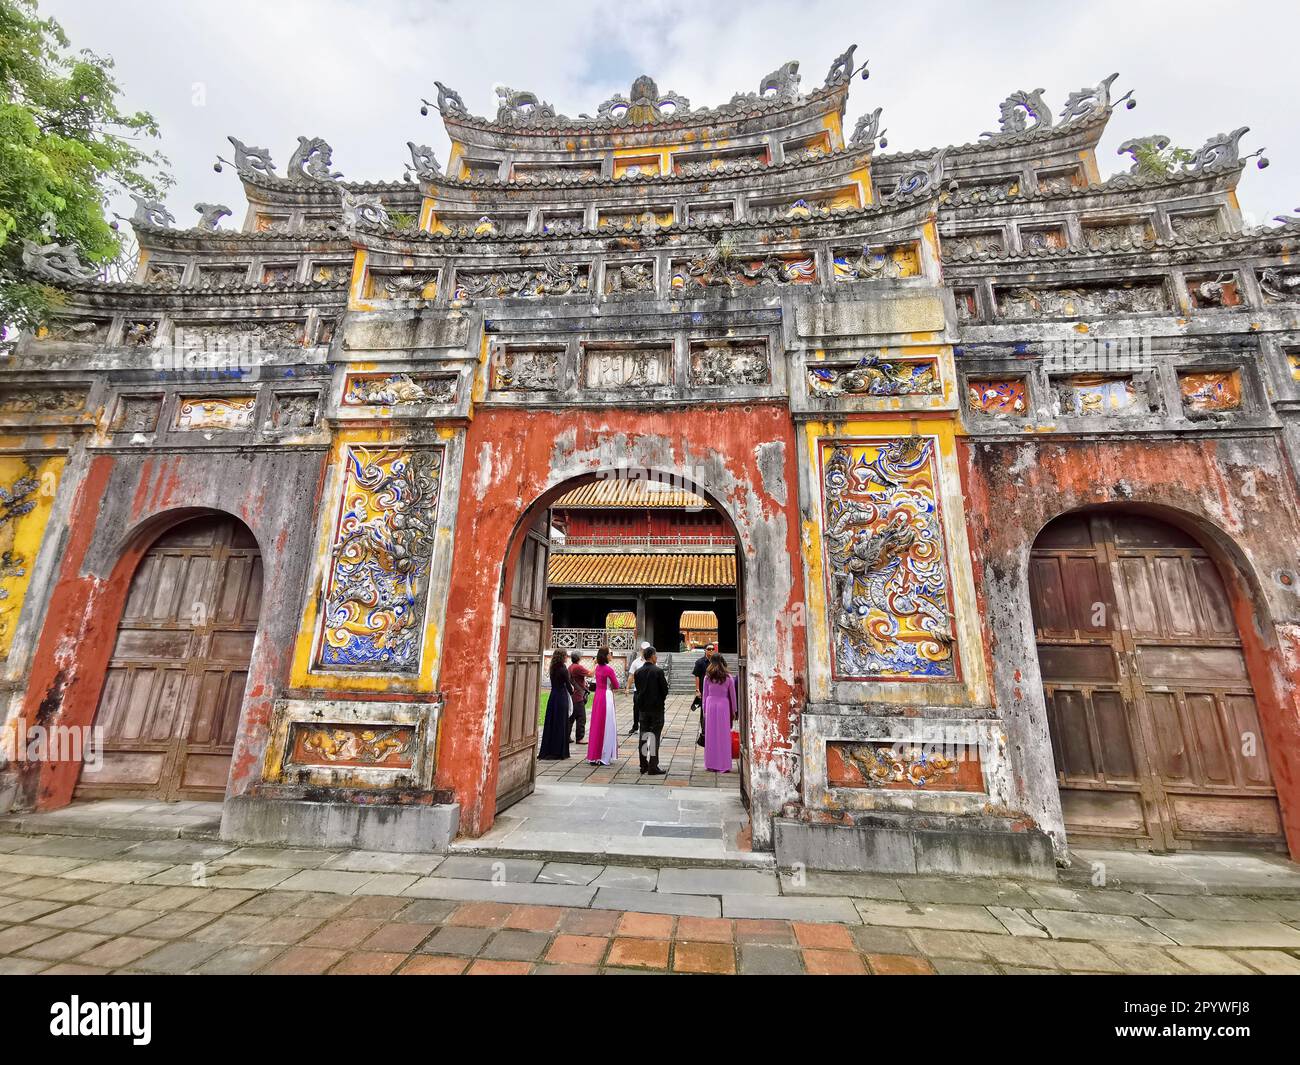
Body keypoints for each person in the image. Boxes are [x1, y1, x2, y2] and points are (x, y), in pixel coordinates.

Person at [632, 645, 669, 775]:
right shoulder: (658, 671)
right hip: (656, 709)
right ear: (652, 656)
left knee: (643, 736)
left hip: (643, 709)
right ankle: (653, 766)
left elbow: (638, 689)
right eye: (655, 654)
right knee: (654, 737)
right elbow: (665, 690)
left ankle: (643, 764)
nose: (656, 656)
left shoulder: (638, 672)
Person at [702, 653, 737, 773]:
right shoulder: (728, 677)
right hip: (724, 705)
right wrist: (734, 711)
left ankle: (711, 763)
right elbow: (732, 696)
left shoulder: (708, 677)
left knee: (711, 735)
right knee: (723, 736)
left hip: (710, 704)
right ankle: (723, 764)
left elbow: (705, 695)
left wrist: (704, 709)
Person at [586, 646, 621, 765]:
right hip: (606, 696)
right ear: (606, 656)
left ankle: (594, 755)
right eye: (610, 653)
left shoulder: (597, 667)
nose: (611, 655)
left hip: (598, 696)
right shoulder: (609, 669)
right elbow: (616, 685)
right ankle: (603, 755)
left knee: (596, 724)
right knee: (607, 725)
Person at [538, 648, 572, 760]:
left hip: (553, 697)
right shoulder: (563, 669)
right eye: (566, 655)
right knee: (561, 723)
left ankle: (550, 749)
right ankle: (559, 751)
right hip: (562, 697)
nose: (567, 657)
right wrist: (573, 689)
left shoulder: (553, 667)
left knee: (552, 723)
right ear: (563, 656)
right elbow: (569, 686)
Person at [627, 641, 650, 736]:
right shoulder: (636, 662)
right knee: (636, 709)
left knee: (648, 709)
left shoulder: (653, 662)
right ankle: (635, 726)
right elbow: (631, 676)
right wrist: (628, 687)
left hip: (649, 691)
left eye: (646, 650)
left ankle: (647, 726)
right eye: (643, 650)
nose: (644, 652)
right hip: (638, 690)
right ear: (640, 650)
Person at [567, 650, 589, 744]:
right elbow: (591, 673)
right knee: (581, 718)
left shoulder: (570, 667)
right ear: (579, 658)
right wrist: (596, 663)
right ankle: (580, 738)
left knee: (571, 717)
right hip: (578, 696)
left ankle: (566, 736)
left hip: (573, 695)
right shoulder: (578, 667)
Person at [690, 641, 716, 715]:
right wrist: (697, 690)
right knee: (704, 709)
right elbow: (697, 676)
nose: (711, 650)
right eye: (709, 649)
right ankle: (704, 725)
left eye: (712, 649)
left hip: (714, 689)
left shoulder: (716, 662)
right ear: (704, 650)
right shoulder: (699, 662)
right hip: (703, 688)